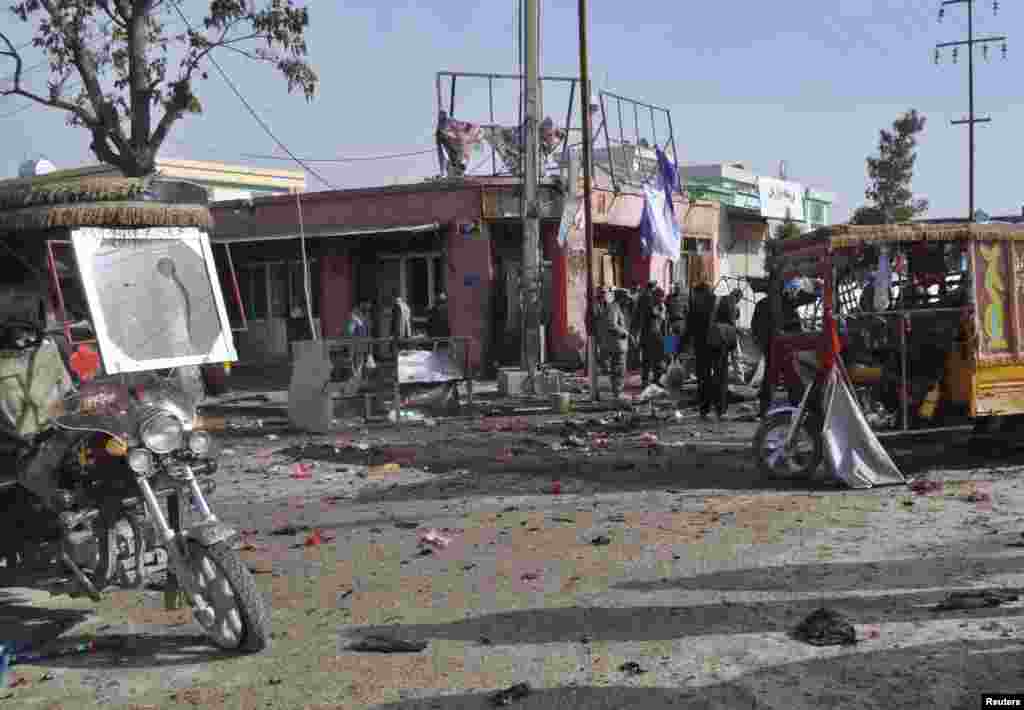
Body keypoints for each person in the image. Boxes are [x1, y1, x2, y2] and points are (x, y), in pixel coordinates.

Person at [680, 278, 718, 420]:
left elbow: (688, 328)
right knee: (709, 377)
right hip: (712, 346)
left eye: (696, 294)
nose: (695, 297)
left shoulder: (699, 305)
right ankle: (712, 407)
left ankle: (707, 407)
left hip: (707, 346)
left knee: (705, 377)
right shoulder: (715, 301)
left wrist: (680, 347)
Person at [640, 287, 668, 388]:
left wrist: (667, 341)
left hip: (658, 337)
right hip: (648, 337)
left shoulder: (662, 306)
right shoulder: (650, 306)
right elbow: (654, 314)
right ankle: (645, 380)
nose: (662, 299)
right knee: (646, 360)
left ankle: (657, 380)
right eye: (660, 297)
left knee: (658, 360)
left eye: (662, 297)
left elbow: (664, 324)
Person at [606, 290, 631, 400]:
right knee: (618, 369)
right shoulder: (614, 307)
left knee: (620, 369)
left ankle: (618, 392)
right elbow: (612, 325)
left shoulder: (618, 307)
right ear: (621, 298)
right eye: (626, 298)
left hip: (620, 344)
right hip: (617, 344)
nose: (627, 301)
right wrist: (624, 332)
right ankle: (617, 393)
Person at [345, 303, 370, 382]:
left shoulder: (363, 317)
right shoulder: (355, 317)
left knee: (360, 362)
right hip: (357, 345)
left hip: (361, 345)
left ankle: (358, 378)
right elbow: (350, 331)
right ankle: (356, 378)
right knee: (357, 363)